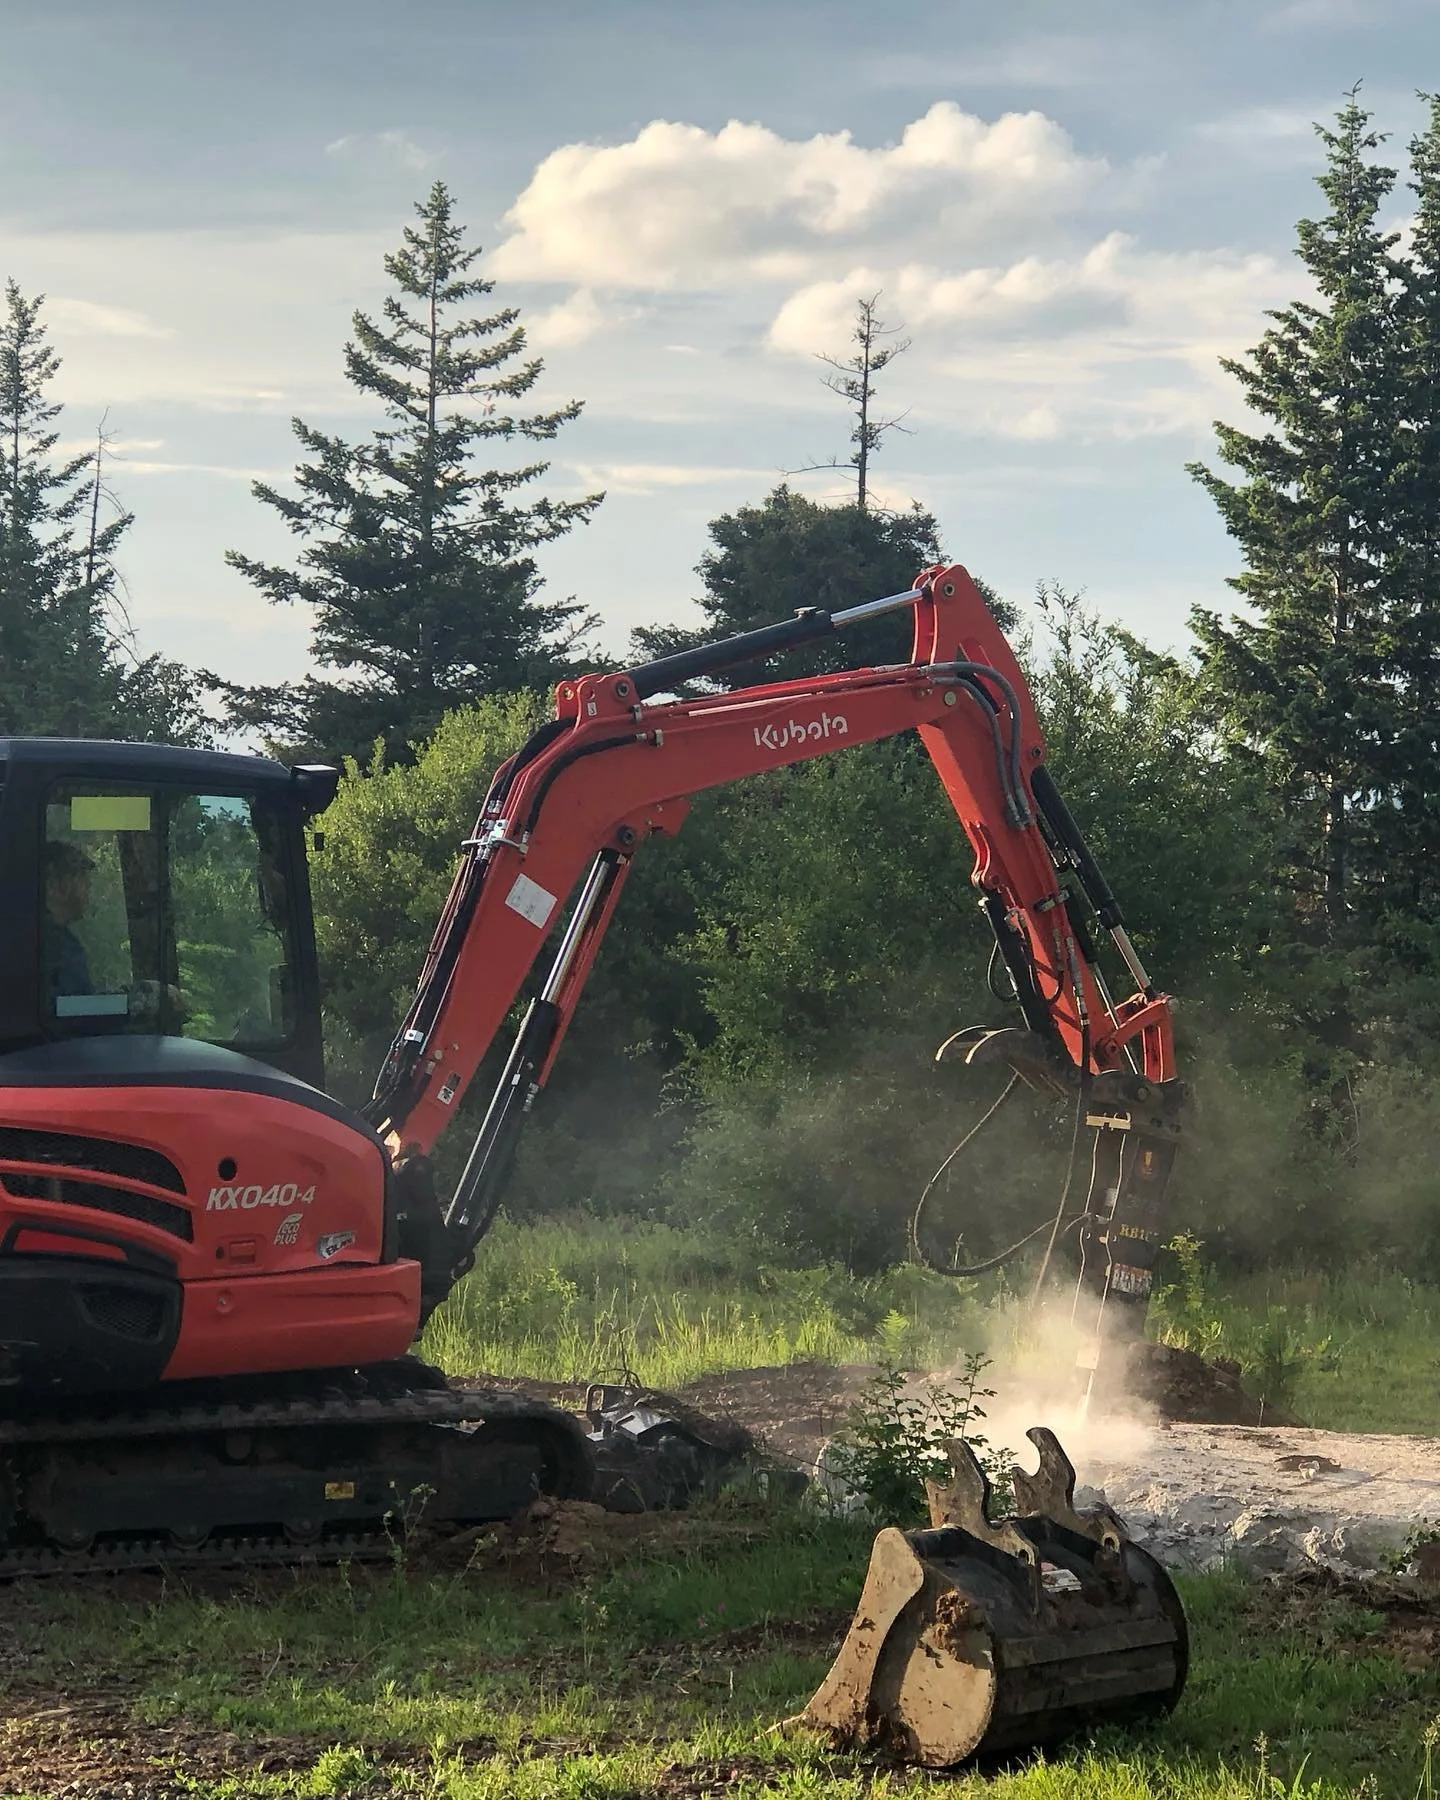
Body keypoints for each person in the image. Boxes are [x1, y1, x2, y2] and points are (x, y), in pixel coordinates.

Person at [44, 840, 96, 999]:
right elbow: (78, 1011)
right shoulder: (56, 948)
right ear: (53, 885)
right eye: (80, 876)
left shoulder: (61, 940)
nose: (89, 884)